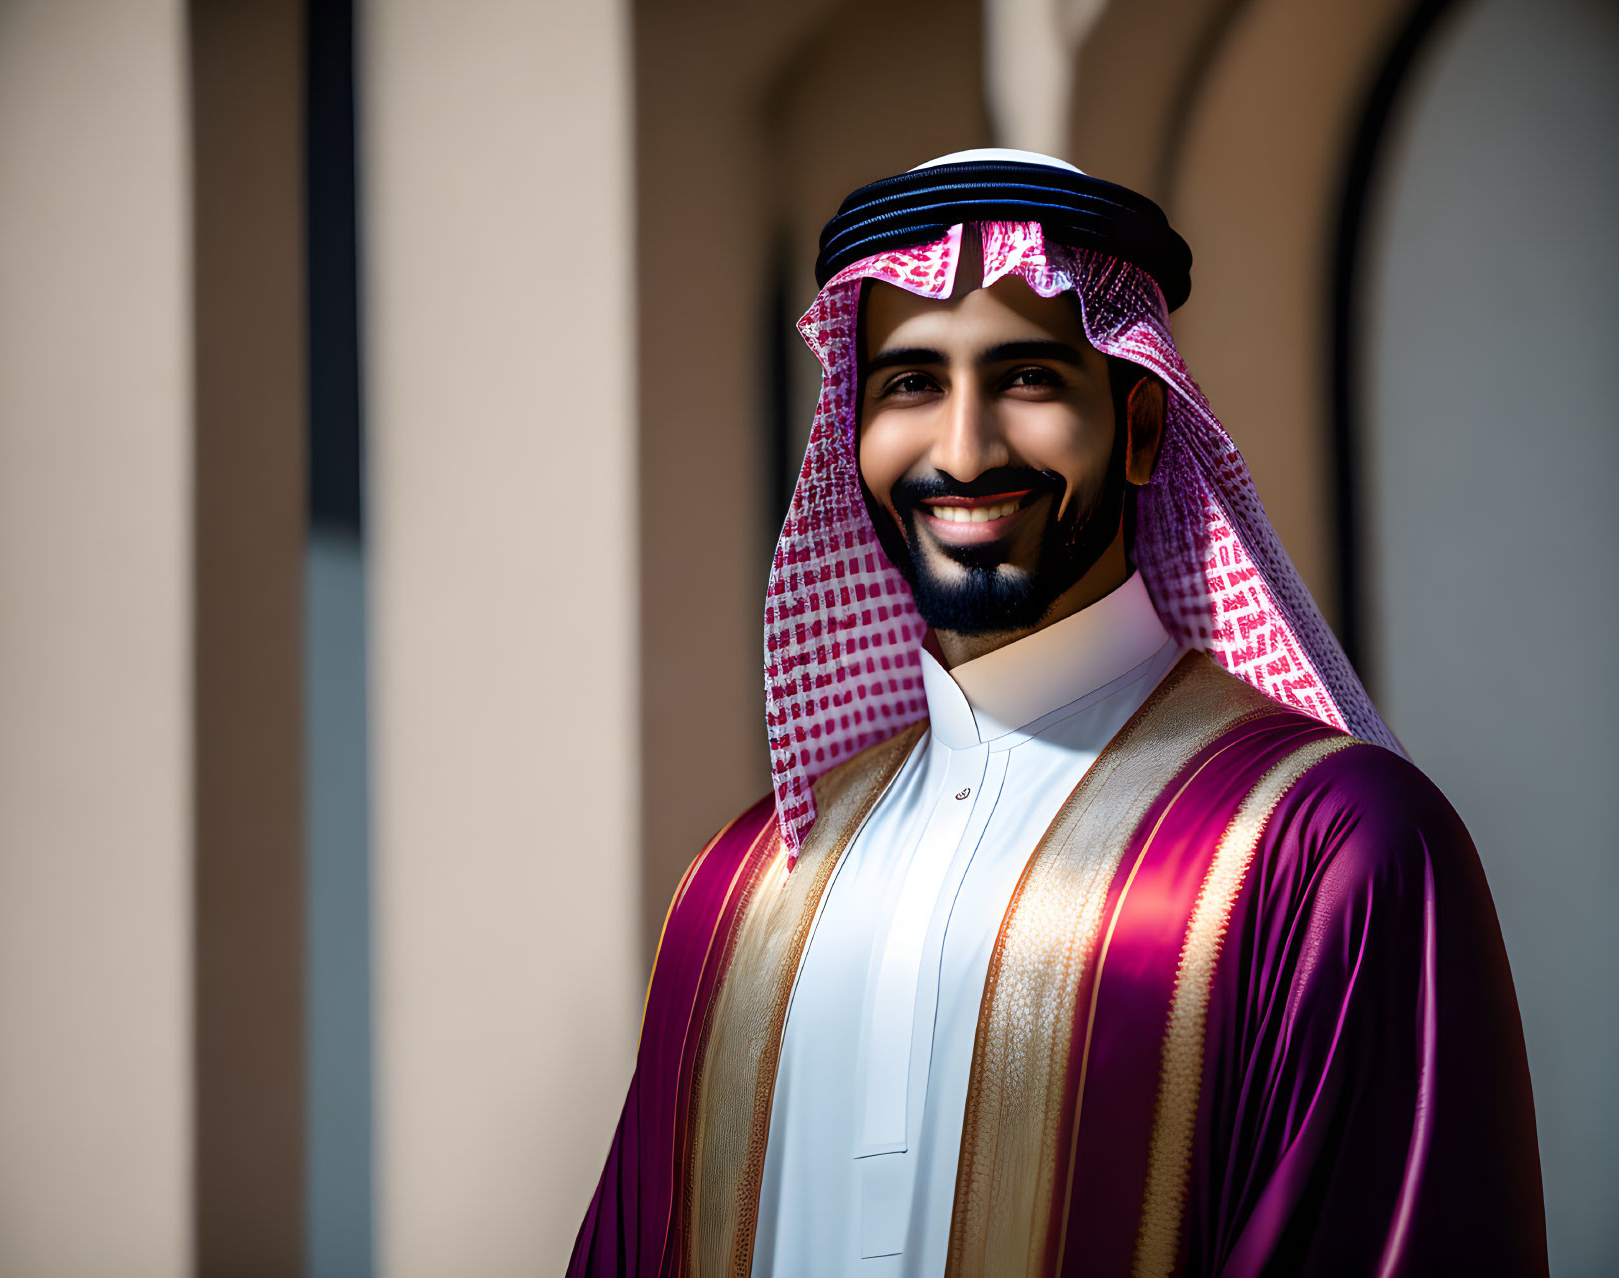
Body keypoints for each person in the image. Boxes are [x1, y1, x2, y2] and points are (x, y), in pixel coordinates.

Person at [568, 150, 1546, 1277]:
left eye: (1026, 379)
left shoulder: (1324, 851)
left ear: (1138, 426)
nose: (962, 449)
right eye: (908, 384)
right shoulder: (737, 892)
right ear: (851, 429)